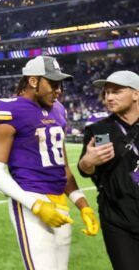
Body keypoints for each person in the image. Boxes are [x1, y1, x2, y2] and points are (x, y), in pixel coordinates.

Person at [0, 56, 99, 270]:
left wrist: (83, 205)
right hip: (31, 199)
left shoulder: (59, 110)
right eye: (53, 84)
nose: (59, 91)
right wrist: (35, 205)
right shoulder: (10, 110)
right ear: (33, 81)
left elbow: (62, 167)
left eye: (61, 85)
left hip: (59, 202)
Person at [78, 70, 139, 270]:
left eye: (116, 91)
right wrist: (88, 161)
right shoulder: (99, 130)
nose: (109, 97)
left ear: (136, 94)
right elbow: (86, 170)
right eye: (106, 93)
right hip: (117, 217)